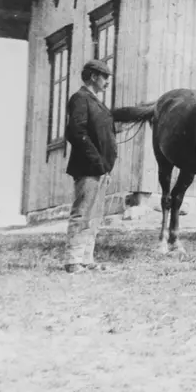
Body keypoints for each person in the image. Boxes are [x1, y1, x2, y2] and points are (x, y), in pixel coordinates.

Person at [64, 59, 118, 273]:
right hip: (88, 167)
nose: (107, 82)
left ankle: (86, 259)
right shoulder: (80, 98)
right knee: (82, 212)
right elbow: (76, 132)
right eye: (105, 77)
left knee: (94, 216)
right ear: (94, 76)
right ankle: (72, 260)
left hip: (101, 168)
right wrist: (96, 161)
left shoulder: (95, 101)